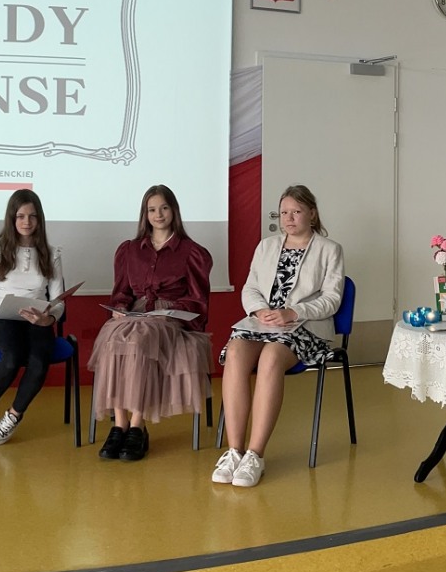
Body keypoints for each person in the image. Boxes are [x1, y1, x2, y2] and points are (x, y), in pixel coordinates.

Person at [212, 184, 344, 488]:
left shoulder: (330, 249)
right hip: (261, 324)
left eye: (296, 211)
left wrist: (293, 312)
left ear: (312, 214)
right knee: (235, 351)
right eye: (284, 212)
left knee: (271, 356)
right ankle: (234, 451)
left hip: (305, 327)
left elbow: (332, 299)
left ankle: (255, 455)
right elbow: (250, 288)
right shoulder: (266, 246)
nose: (289, 218)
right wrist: (259, 311)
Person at [88, 184, 213, 462]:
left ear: (174, 211)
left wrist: (169, 312)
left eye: (164, 208)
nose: (158, 214)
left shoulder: (192, 252)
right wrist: (120, 309)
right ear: (145, 214)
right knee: (112, 337)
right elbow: (121, 292)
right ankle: (120, 425)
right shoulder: (130, 250)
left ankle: (137, 425)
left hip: (169, 317)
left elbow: (197, 299)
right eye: (152, 209)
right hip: (135, 314)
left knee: (140, 340)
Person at [0, 189, 66, 448]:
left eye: (32, 216)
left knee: (39, 361)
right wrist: (8, 303)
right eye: (21, 216)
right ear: (12, 218)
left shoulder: (51, 253)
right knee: (12, 357)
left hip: (38, 321)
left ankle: (13, 416)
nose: (27, 222)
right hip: (6, 318)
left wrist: (49, 319)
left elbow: (58, 301)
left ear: (40, 219)